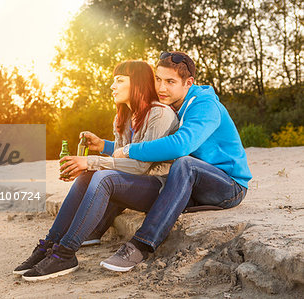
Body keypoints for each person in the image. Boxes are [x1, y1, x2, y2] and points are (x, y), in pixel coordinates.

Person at [13, 60, 179, 281]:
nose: (112, 86)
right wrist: (88, 163)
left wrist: (90, 161)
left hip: (160, 187)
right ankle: (50, 244)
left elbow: (140, 166)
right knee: (88, 175)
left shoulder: (160, 114)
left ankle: (65, 253)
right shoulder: (123, 117)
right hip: (133, 186)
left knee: (99, 175)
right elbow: (121, 156)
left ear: (137, 84)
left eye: (119, 80)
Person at [91, 51, 252, 271]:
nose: (161, 88)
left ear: (189, 83)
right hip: (190, 184)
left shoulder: (205, 105)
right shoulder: (172, 105)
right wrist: (106, 146)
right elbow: (154, 145)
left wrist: (129, 150)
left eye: (170, 82)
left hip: (228, 186)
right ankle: (91, 231)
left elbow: (180, 145)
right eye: (158, 79)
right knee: (129, 176)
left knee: (184, 163)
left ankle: (141, 245)